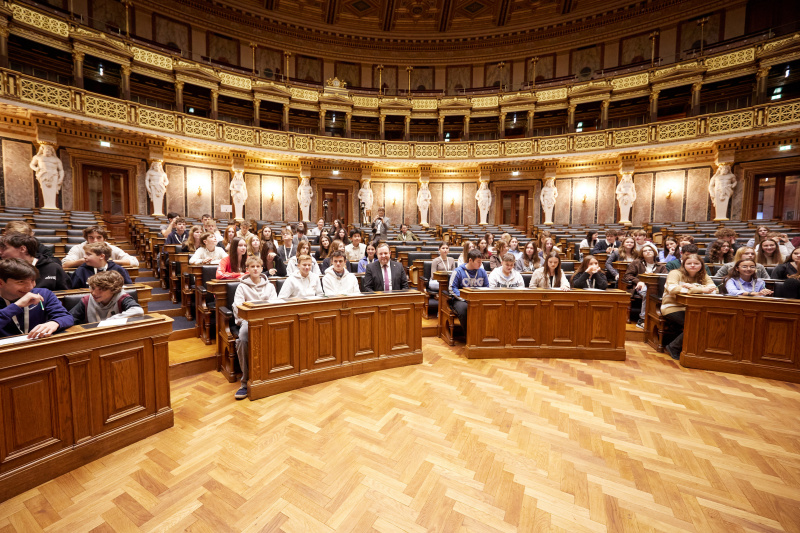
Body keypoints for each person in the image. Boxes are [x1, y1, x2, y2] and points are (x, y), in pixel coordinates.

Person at [233, 256, 278, 400]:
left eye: (257, 266)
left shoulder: (270, 286)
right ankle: (245, 382)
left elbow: (275, 305)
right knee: (243, 338)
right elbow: (237, 307)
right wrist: (244, 320)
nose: (255, 269)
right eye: (252, 267)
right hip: (248, 321)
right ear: (248, 269)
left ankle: (274, 374)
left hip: (267, 321)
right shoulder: (241, 286)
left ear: (262, 268)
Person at [661, 254, 718, 360]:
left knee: (707, 323)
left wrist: (694, 287)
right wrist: (700, 289)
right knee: (694, 324)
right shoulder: (675, 273)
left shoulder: (703, 275)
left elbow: (714, 290)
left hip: (695, 308)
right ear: (684, 264)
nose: (693, 265)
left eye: (696, 263)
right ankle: (673, 347)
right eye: (689, 263)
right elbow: (673, 289)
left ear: (701, 265)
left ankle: (696, 349)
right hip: (672, 307)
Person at [0, 258, 73, 338]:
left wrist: (55, 322)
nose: (30, 287)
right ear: (1, 283)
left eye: (32, 281)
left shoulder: (44, 294)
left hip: (38, 344)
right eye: (21, 282)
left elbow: (66, 317)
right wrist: (16, 306)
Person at [0, 233, 70, 291]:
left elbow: (66, 295)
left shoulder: (53, 268)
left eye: (4, 248)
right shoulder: (3, 269)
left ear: (22, 249)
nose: (0, 252)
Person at [68, 270, 143, 324]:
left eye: (101, 289)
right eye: (93, 288)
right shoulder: (86, 300)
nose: (94, 293)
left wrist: (110, 321)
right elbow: (70, 318)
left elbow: (138, 311)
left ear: (114, 290)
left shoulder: (122, 298)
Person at [623, 242, 666, 328]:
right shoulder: (636, 263)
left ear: (654, 252)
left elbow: (664, 278)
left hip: (657, 288)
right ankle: (643, 319)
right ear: (642, 254)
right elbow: (627, 276)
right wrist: (638, 281)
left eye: (650, 250)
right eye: (645, 251)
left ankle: (658, 318)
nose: (648, 252)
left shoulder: (661, 266)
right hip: (640, 287)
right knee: (647, 292)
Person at [449, 249, 490, 330]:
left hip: (478, 299)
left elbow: (486, 287)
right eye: (478, 262)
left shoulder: (482, 272)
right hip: (460, 300)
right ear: (470, 260)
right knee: (465, 310)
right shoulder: (458, 271)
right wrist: (464, 298)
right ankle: (469, 337)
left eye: (481, 261)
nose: (480, 264)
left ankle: (484, 335)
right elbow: (452, 288)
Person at [62, 226, 138, 268]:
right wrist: (83, 261)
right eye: (91, 237)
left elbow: (134, 262)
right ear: (87, 238)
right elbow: (65, 264)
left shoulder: (111, 248)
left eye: (99, 237)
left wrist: (109, 262)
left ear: (104, 239)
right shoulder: (78, 248)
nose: (95, 241)